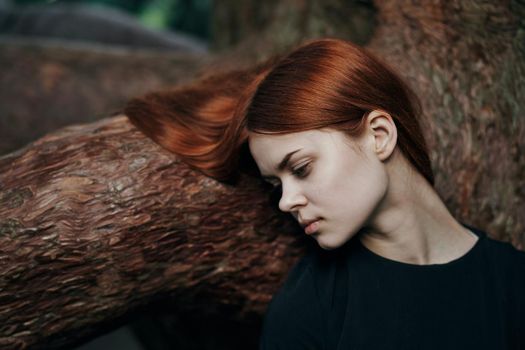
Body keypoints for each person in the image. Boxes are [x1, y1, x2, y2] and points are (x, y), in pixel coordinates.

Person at [123, 38, 525, 349]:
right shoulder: (308, 312)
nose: (285, 202)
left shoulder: (513, 282)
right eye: (275, 185)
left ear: (379, 136)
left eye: (300, 168)